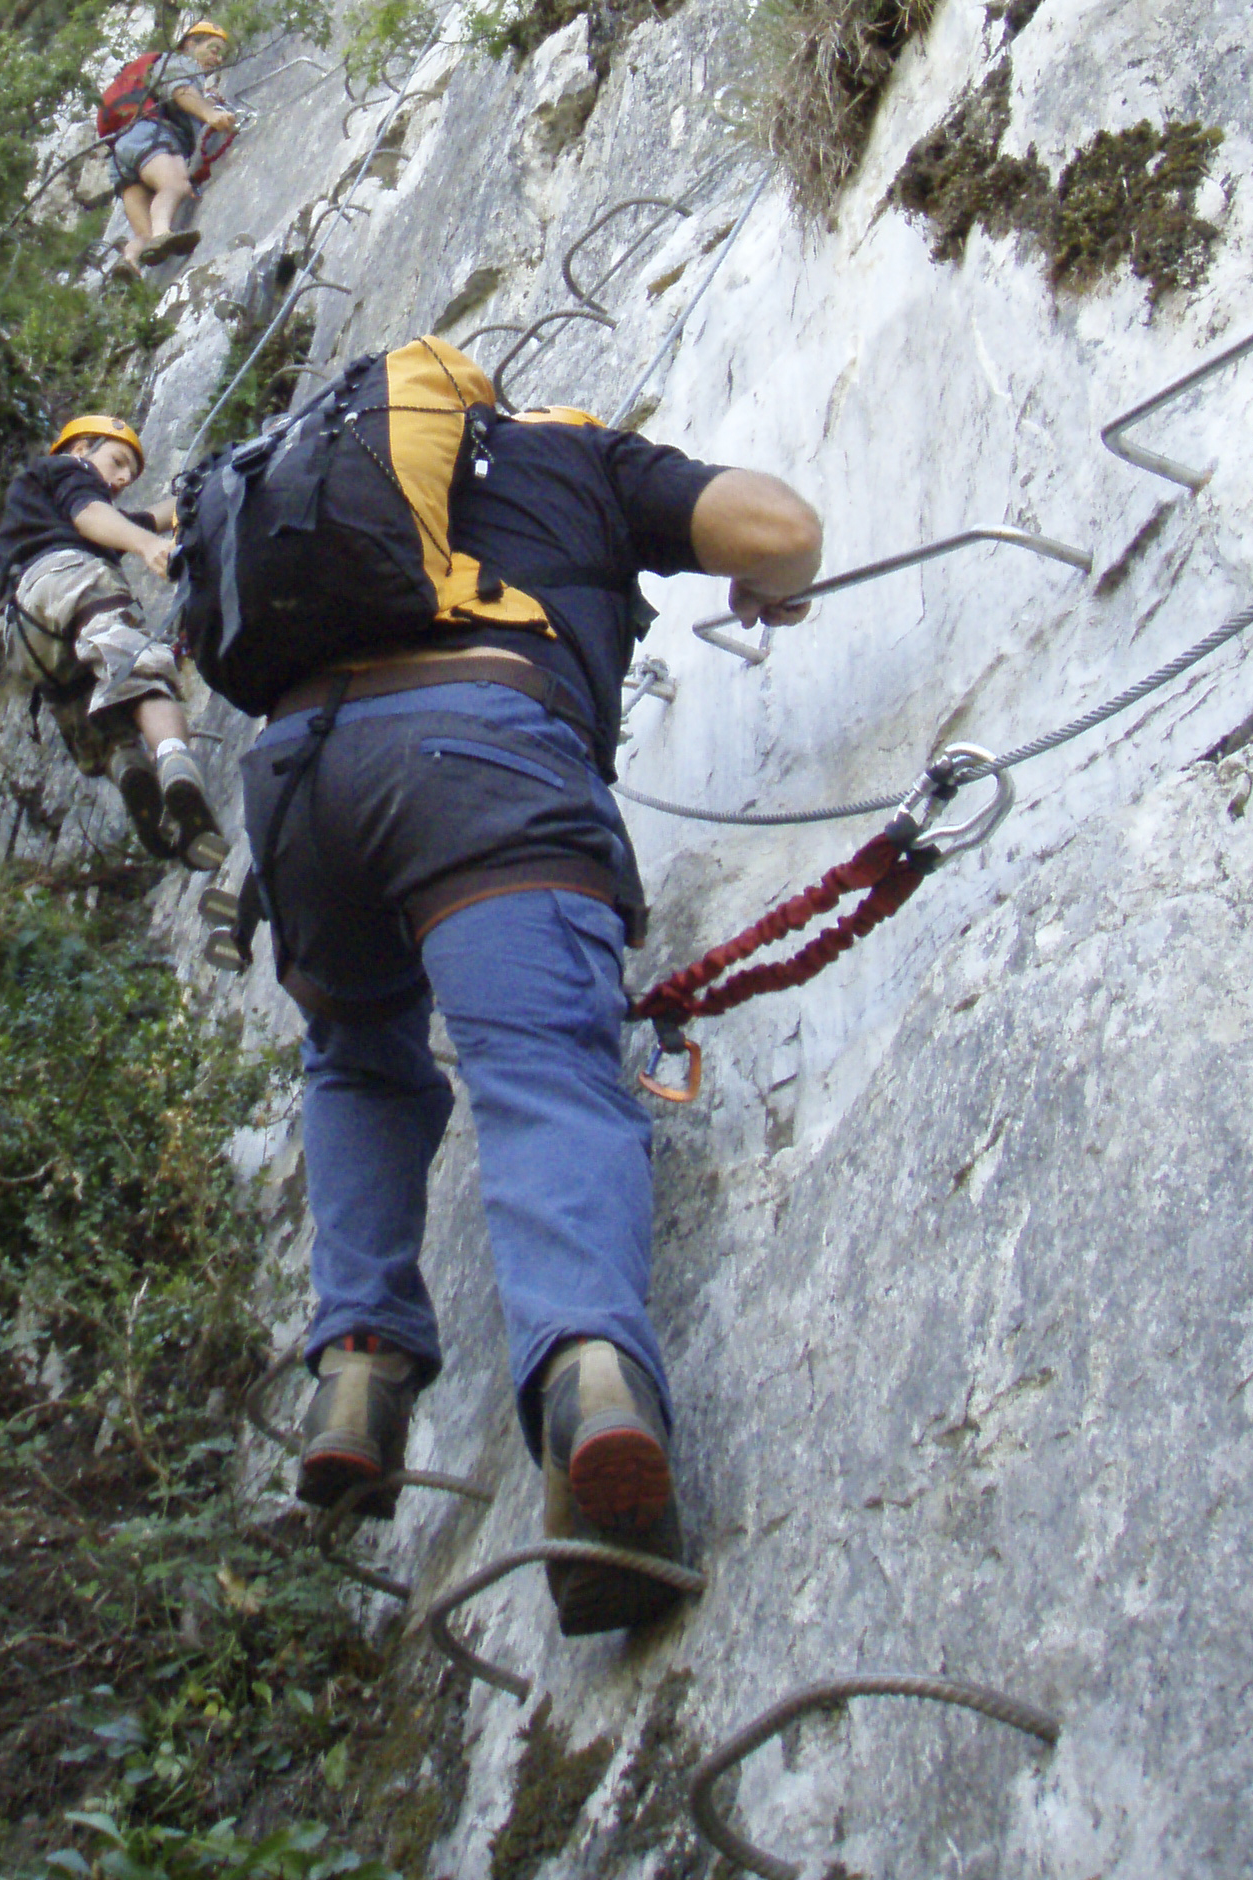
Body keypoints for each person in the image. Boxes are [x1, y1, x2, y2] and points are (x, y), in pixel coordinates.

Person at [238, 401, 821, 1634]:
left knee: (356, 1062)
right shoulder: (574, 453)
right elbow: (777, 526)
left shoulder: (312, 482)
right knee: (545, 1075)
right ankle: (590, 1379)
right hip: (479, 748)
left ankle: (357, 1371)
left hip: (297, 775)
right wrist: (783, 585)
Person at [0, 414, 225, 867]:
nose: (122, 479)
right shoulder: (69, 471)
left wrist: (193, 496)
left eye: (130, 475)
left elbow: (141, 517)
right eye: (118, 461)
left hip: (25, 629)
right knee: (142, 675)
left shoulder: (39, 499)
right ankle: (177, 765)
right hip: (70, 579)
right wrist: (144, 545)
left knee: (101, 724)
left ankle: (129, 766)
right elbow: (92, 514)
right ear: (80, 448)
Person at [108, 23, 239, 272]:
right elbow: (179, 89)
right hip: (151, 137)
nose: (217, 58)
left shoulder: (152, 72)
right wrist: (210, 113)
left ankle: (130, 262)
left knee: (143, 234)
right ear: (190, 44)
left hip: (121, 153)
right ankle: (162, 234)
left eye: (221, 54)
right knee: (175, 185)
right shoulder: (178, 62)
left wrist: (207, 100)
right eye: (213, 49)